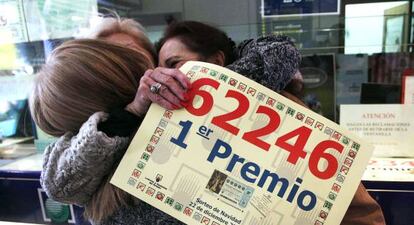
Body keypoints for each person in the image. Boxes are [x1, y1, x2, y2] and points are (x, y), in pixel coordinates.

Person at [156, 21, 385, 225]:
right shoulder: (181, 134)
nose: (166, 77)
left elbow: (358, 213)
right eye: (159, 70)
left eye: (175, 64)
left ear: (217, 60)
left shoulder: (282, 112)